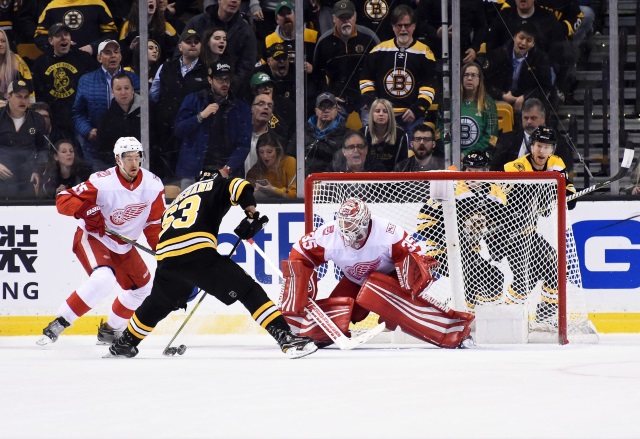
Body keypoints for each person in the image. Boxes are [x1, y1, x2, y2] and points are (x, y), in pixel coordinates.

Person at [106, 169, 317, 359]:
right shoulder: (217, 184)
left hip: (166, 257)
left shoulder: (180, 197)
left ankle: (125, 342)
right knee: (247, 290)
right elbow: (242, 186)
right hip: (196, 252)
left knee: (158, 303)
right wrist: (251, 215)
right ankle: (285, 336)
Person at [280, 197, 475, 348]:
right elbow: (300, 253)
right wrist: (300, 282)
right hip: (355, 281)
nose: (350, 239)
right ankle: (306, 335)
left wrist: (412, 280)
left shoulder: (388, 233)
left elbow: (416, 256)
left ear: (366, 222)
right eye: (345, 233)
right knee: (338, 315)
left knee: (374, 288)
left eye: (355, 232)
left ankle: (453, 331)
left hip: (390, 279)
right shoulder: (328, 235)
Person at [37, 137, 166, 346]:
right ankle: (60, 322)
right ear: (118, 159)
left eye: (137, 157)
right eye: (128, 158)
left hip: (124, 245)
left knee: (141, 288)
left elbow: (153, 224)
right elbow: (63, 200)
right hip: (94, 238)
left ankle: (110, 330)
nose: (134, 163)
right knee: (104, 279)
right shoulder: (102, 181)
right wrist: (85, 210)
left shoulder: (153, 185)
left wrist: (164, 252)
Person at [501, 126, 576, 324]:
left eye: (547, 147)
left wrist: (558, 193)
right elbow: (506, 204)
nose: (542, 151)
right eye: (539, 146)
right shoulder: (514, 168)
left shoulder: (556, 163)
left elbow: (571, 200)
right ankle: (508, 317)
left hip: (530, 234)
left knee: (556, 268)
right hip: (509, 236)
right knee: (526, 278)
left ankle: (544, 315)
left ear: (552, 149)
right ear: (531, 146)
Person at [416, 151, 506, 310]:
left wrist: (496, 247)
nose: (473, 175)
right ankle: (462, 312)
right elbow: (424, 223)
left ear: (486, 171)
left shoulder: (494, 193)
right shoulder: (452, 188)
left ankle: (469, 311)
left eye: (478, 171)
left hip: (470, 253)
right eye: (469, 170)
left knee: (494, 278)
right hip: (440, 254)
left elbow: (496, 225)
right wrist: (453, 241)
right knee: (474, 273)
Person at [360, 5, 437, 136]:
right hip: (382, 118)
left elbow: (429, 86)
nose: (403, 30)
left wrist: (417, 109)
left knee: (411, 154)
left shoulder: (425, 53)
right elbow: (366, 80)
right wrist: (375, 106)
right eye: (398, 25)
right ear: (392, 27)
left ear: (414, 26)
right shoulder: (378, 50)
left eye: (407, 25)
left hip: (411, 117)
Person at [173, 62, 251, 187]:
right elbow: (179, 130)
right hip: (193, 173)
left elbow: (244, 145)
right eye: (220, 79)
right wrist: (200, 116)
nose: (224, 83)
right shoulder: (193, 100)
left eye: (227, 79)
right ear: (210, 80)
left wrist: (227, 168)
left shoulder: (241, 108)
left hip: (227, 173)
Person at [150, 28, 209, 181]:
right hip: (165, 132)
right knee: (165, 177)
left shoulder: (207, 71)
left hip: (192, 134)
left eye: (196, 42)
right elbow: (153, 95)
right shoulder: (166, 67)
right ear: (180, 46)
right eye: (188, 42)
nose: (193, 45)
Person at [72, 39, 140, 172]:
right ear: (99, 57)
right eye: (107, 53)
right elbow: (77, 113)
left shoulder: (135, 78)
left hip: (129, 148)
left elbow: (142, 109)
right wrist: (88, 131)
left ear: (121, 56)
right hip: (96, 149)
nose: (113, 56)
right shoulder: (86, 80)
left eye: (116, 52)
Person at [313, 0, 380, 120]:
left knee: (372, 134)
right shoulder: (324, 42)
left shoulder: (369, 37)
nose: (346, 21)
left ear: (355, 17)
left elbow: (380, 70)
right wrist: (329, 97)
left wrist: (372, 98)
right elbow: (318, 74)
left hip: (366, 101)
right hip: (337, 102)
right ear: (333, 18)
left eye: (349, 17)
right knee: (333, 134)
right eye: (341, 18)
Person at [181, 0, 257, 99]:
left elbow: (246, 68)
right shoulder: (197, 22)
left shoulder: (246, 31)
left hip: (229, 93)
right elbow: (181, 53)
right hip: (194, 88)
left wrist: (226, 88)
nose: (234, 1)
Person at [32, 23, 97, 137]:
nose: (63, 38)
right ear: (50, 41)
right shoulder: (41, 62)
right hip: (55, 121)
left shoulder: (83, 58)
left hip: (80, 119)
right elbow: (38, 94)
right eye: (58, 35)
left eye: (66, 34)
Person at [490, 98, 574, 173]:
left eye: (533, 118)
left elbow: (566, 168)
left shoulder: (558, 142)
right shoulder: (507, 140)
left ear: (543, 118)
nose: (529, 122)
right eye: (526, 118)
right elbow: (495, 168)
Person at [483, 22, 552, 113]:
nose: (523, 43)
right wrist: (501, 95)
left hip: (527, 102)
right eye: (521, 38)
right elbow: (485, 83)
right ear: (514, 37)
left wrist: (525, 98)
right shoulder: (498, 54)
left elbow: (545, 87)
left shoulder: (541, 58)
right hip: (499, 100)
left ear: (533, 44)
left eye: (529, 40)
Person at [0, 80, 48, 200]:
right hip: (2, 173)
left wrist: (37, 170)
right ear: (8, 97)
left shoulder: (37, 119)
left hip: (26, 176)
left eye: (26, 97)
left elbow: (43, 148)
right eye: (19, 96)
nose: (23, 100)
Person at [34, 0, 118, 55]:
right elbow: (40, 37)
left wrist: (93, 47)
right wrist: (58, 47)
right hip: (62, 62)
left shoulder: (98, 4)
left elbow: (111, 35)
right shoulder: (51, 7)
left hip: (93, 61)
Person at [96, 73, 141, 167]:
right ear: (112, 91)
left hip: (150, 168)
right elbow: (102, 150)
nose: (123, 92)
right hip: (119, 169)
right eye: (119, 89)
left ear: (133, 89)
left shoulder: (149, 110)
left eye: (127, 88)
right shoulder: (106, 119)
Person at [454, 62, 498, 157]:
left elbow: (491, 137)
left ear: (479, 80)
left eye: (473, 75)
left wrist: (467, 154)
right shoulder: (451, 101)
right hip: (452, 157)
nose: (469, 78)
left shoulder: (488, 103)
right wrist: (454, 153)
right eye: (466, 75)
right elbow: (441, 131)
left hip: (479, 158)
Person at [118, 0, 178, 68]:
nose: (151, 1)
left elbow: (176, 51)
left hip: (158, 72)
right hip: (134, 71)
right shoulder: (128, 26)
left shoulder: (165, 27)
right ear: (138, 4)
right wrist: (130, 49)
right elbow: (121, 53)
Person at [303, 92, 347, 175]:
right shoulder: (303, 130)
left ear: (336, 110)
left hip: (331, 181)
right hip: (304, 180)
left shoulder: (344, 134)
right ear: (316, 110)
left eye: (330, 107)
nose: (326, 110)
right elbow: (291, 155)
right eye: (322, 107)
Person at [362, 98, 409, 171]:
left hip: (392, 179)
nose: (381, 114)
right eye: (377, 111)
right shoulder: (363, 133)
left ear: (390, 115)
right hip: (367, 178)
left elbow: (402, 165)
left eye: (385, 111)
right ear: (371, 114)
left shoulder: (401, 135)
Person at [246, 132, 296, 198]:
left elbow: (295, 193)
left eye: (269, 152)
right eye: (261, 152)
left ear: (277, 151)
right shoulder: (253, 172)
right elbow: (247, 196)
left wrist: (273, 190)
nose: (265, 156)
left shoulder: (289, 162)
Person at [0, 29, 34, 102]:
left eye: (3, 41)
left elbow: (29, 87)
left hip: (14, 103)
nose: (1, 44)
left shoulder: (16, 60)